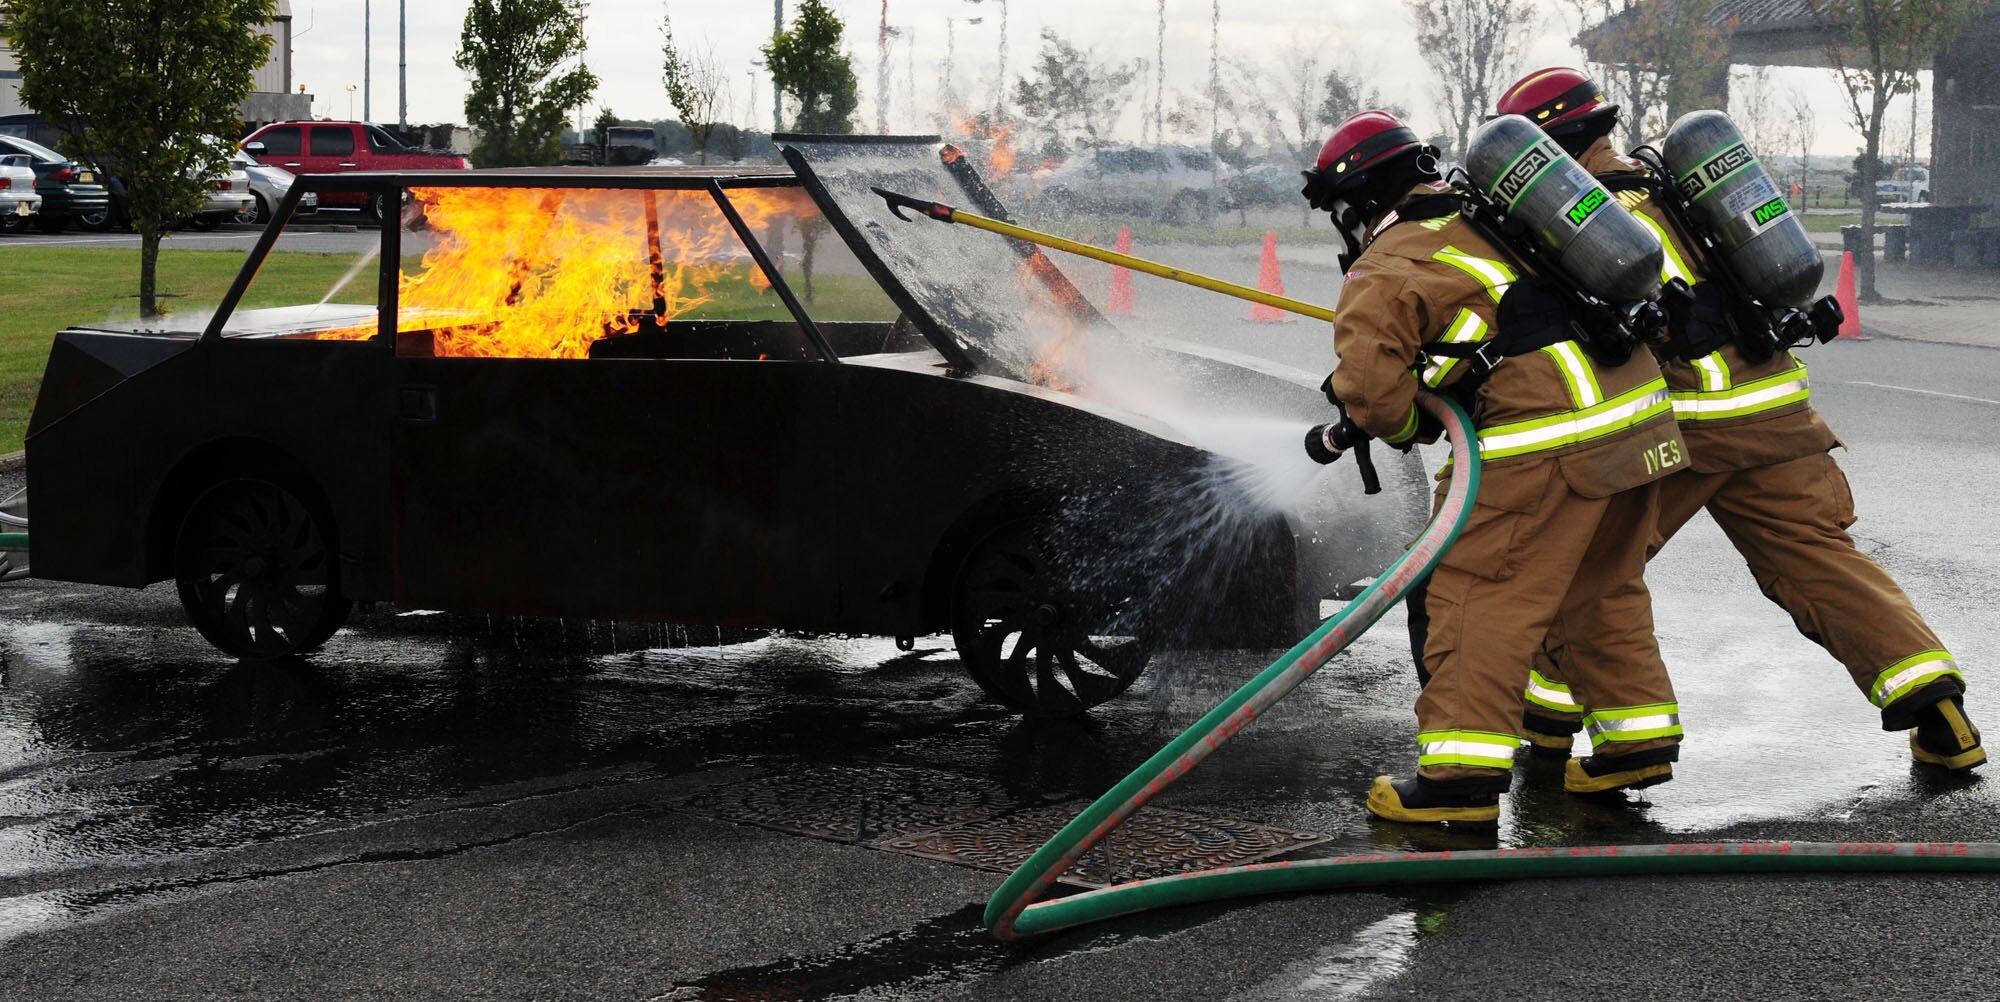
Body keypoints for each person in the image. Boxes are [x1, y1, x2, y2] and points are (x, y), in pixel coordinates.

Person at [1490, 66, 1983, 772]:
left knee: (1584, 573)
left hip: (1683, 430)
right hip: (1777, 414)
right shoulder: (1686, 200)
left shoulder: (1585, 228)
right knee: (1819, 561)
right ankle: (1942, 716)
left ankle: (1577, 735)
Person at [1301, 109, 1689, 824]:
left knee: (1472, 595)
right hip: (1639, 427)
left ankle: (1458, 786)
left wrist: (1417, 420)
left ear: (1358, 201)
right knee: (1598, 588)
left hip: (1548, 444)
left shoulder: (1387, 265)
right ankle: (1637, 742)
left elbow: (1372, 396)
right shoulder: (1498, 218)